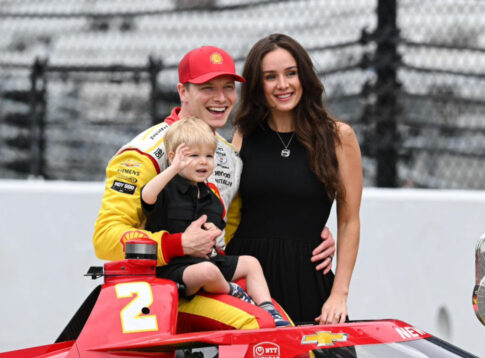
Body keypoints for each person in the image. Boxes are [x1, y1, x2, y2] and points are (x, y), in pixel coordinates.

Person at [92, 45, 334, 330]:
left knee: (284, 329)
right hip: (157, 292)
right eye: (208, 88)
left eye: (228, 88)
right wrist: (176, 244)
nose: (221, 98)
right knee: (259, 329)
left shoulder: (230, 157)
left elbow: (232, 233)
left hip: (212, 281)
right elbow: (105, 238)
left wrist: (311, 232)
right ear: (183, 92)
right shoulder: (143, 154)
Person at [227, 34, 362, 325]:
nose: (283, 84)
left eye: (291, 73)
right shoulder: (243, 136)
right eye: (270, 77)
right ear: (257, 85)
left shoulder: (339, 137)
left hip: (308, 278)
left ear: (304, 76)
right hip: (247, 280)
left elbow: (350, 220)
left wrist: (339, 294)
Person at [141, 117, 289, 326]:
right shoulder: (166, 188)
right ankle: (234, 291)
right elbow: (147, 196)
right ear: (173, 157)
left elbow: (215, 229)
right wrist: (172, 169)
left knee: (251, 263)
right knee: (207, 271)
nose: (203, 161)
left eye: (209, 156)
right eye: (194, 156)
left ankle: (268, 309)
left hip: (208, 260)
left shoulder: (212, 196)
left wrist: (212, 230)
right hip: (174, 268)